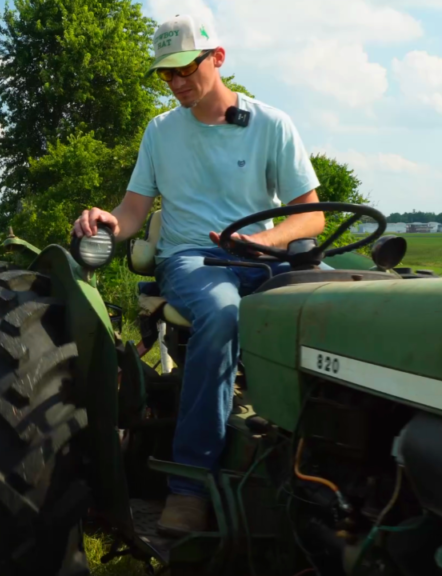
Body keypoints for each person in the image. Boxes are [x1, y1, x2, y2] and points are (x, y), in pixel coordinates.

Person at [71, 13, 326, 535]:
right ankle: (188, 485)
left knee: (334, 307)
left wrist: (267, 241)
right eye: (166, 74)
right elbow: (135, 212)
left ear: (218, 58)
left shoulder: (271, 124)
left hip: (262, 256)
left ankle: (319, 461)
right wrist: (106, 220)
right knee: (223, 313)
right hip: (192, 259)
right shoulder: (161, 132)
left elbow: (311, 215)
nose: (177, 83)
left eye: (186, 68)